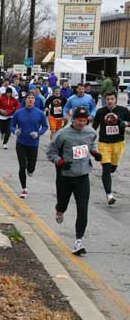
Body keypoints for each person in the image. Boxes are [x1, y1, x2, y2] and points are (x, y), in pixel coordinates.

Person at [46, 107, 100, 255]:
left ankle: (78, 241)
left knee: (83, 208)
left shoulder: (91, 132)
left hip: (82, 176)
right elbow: (50, 152)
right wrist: (61, 162)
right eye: (79, 120)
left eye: (84, 121)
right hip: (65, 176)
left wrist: (95, 153)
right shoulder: (62, 134)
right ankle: (59, 210)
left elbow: (93, 143)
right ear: (73, 119)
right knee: (63, 203)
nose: (82, 123)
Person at [92, 91, 130, 205]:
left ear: (116, 99)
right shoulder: (100, 112)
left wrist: (126, 124)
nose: (109, 101)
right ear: (105, 100)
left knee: (112, 169)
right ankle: (109, 195)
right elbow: (94, 127)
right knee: (106, 169)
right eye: (107, 99)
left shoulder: (123, 110)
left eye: (112, 99)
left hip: (118, 144)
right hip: (104, 144)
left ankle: (110, 176)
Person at [10, 93, 48, 198]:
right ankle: (24, 188)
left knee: (31, 167)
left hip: (33, 143)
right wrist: (15, 131)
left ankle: (30, 170)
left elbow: (45, 126)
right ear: (25, 100)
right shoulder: (18, 113)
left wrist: (38, 133)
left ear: (35, 101)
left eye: (32, 98)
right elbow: (12, 125)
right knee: (22, 166)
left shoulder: (40, 113)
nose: (30, 100)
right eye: (28, 98)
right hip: (21, 143)